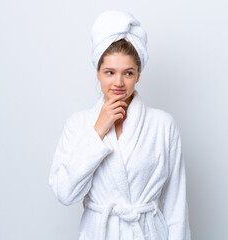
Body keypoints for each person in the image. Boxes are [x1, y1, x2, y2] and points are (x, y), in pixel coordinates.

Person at [49, 10, 191, 240]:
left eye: (128, 73)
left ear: (138, 74)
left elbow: (176, 203)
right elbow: (65, 193)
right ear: (97, 72)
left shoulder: (162, 125)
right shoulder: (78, 124)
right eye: (109, 72)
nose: (118, 82)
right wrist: (97, 132)